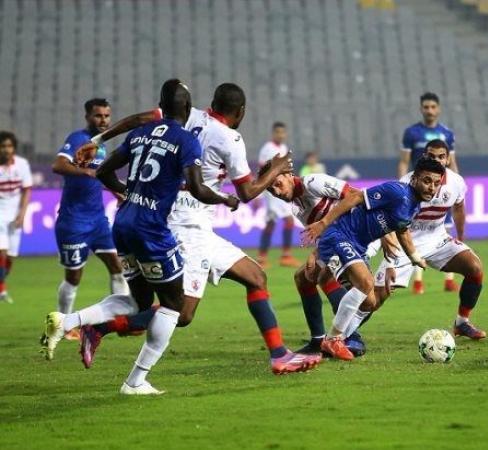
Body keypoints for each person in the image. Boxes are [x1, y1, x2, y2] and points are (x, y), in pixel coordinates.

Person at [67, 83, 322, 376]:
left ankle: (279, 355)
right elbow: (247, 192)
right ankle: (100, 328)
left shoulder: (187, 116)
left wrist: (98, 139)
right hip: (187, 228)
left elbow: (138, 120)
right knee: (182, 312)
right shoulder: (230, 138)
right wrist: (276, 169)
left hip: (189, 223)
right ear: (240, 111)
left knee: (255, 277)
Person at [40, 79, 241, 394]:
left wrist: (128, 193)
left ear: (161, 107)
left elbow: (103, 171)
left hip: (122, 224)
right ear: (188, 108)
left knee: (138, 301)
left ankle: (66, 321)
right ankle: (135, 381)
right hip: (151, 230)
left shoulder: (140, 133)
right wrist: (226, 199)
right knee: (173, 306)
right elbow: (198, 189)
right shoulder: (187, 141)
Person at [303, 157, 447, 360]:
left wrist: (414, 257)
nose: (431, 187)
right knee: (366, 282)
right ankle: (333, 339)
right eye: (427, 180)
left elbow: (402, 230)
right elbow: (355, 197)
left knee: (369, 302)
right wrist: (323, 223)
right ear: (414, 178)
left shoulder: (414, 206)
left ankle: (335, 340)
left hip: (358, 246)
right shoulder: (397, 191)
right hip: (339, 235)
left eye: (436, 183)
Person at [369, 140, 486, 340]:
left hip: (437, 240)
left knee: (475, 268)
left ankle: (462, 323)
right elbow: (389, 216)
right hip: (405, 242)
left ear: (448, 159)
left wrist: (461, 237)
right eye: (432, 156)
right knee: (375, 298)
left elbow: (459, 208)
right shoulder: (408, 182)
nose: (437, 160)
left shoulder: (456, 182)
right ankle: (344, 334)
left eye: (441, 156)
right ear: (424, 157)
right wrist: (389, 249)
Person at [260, 164, 375, 356]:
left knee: (367, 300)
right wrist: (317, 251)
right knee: (305, 277)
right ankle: (319, 340)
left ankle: (349, 337)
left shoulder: (314, 182)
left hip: (357, 235)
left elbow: (356, 195)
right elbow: (321, 233)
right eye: (271, 190)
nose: (277, 192)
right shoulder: (296, 206)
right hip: (336, 240)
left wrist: (386, 234)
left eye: (278, 184)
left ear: (288, 175)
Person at [51, 98, 129, 338]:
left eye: (106, 115)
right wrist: (84, 170)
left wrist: (116, 191)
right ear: (88, 117)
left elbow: (98, 177)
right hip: (74, 222)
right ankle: (63, 325)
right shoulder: (78, 139)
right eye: (98, 115)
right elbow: (58, 165)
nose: (103, 120)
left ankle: (122, 320)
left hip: (98, 221)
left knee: (117, 267)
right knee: (73, 277)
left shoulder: (100, 145)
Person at [398, 92, 459, 294]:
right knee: (417, 232)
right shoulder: (411, 133)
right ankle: (418, 281)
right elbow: (404, 162)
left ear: (438, 109)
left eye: (433, 107)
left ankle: (449, 280)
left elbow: (452, 162)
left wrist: (456, 184)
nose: (430, 110)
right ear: (421, 109)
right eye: (426, 107)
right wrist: (402, 188)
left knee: (445, 230)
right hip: (419, 190)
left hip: (442, 188)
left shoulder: (447, 134)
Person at [256, 122, 300, 268]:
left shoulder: (284, 148)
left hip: (281, 188)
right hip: (272, 190)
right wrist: (258, 194)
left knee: (275, 222)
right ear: (273, 133)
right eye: (278, 132)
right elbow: (261, 171)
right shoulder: (267, 148)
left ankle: (266, 257)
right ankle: (280, 257)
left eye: (283, 132)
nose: (280, 135)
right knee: (284, 220)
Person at [0, 131, 32, 304]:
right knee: (2, 252)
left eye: (9, 146)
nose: (7, 149)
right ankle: (2, 290)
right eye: (3, 146)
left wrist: (22, 213)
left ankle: (1, 284)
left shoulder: (22, 164)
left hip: (15, 215)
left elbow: (27, 189)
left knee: (11, 257)